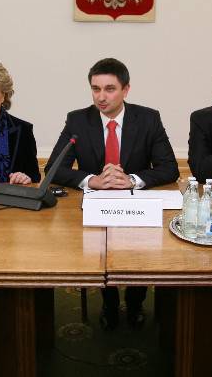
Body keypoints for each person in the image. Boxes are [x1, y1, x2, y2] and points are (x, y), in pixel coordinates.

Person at [45, 57, 178, 330]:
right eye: (95, 89)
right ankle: (108, 302)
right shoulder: (78, 120)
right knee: (99, 248)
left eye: (109, 89)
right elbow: (53, 169)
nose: (101, 97)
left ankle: (136, 301)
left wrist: (132, 180)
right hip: (97, 204)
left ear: (126, 90)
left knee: (141, 249)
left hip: (136, 203)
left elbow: (170, 168)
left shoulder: (148, 119)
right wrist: (91, 180)